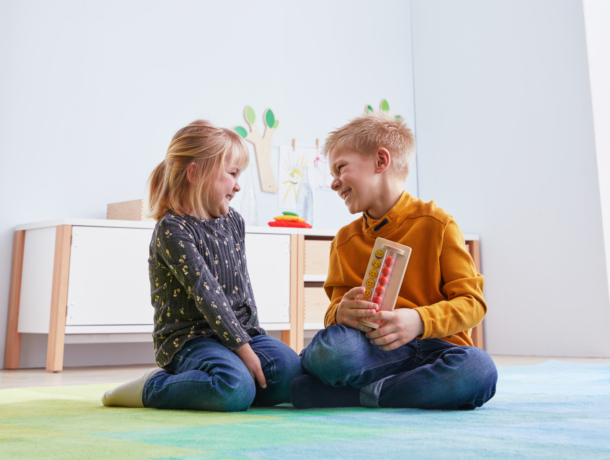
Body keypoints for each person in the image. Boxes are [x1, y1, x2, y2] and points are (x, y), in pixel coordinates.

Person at [290, 111, 497, 410]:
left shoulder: (437, 224)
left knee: (479, 370)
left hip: (438, 350)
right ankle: (395, 390)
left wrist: (419, 320)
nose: (334, 183)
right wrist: (341, 314)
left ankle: (354, 395)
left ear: (381, 161)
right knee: (331, 352)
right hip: (376, 351)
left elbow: (473, 304)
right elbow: (334, 313)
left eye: (340, 168)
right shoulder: (345, 241)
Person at [102, 120, 302, 411]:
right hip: (190, 340)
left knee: (290, 372)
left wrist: (253, 337)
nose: (238, 185)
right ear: (195, 173)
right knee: (233, 386)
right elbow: (208, 294)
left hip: (240, 332)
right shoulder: (172, 229)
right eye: (232, 173)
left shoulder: (234, 221)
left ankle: (229, 389)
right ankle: (153, 387)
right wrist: (244, 351)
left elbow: (243, 286)